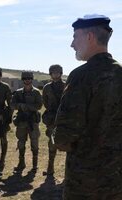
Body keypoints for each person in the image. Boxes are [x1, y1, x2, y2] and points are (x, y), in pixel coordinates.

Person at [51, 14, 122, 199]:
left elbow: (64, 136)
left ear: (89, 37)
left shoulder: (81, 76)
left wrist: (57, 138)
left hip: (85, 183)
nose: (72, 44)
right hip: (116, 180)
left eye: (75, 36)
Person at [11, 71, 42, 173]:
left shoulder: (36, 92)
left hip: (33, 122)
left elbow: (39, 106)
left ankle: (34, 165)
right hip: (21, 122)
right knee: (21, 142)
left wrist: (28, 107)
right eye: (25, 79)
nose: (27, 80)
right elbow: (12, 105)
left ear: (32, 79)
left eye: (29, 79)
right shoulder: (18, 92)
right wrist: (20, 106)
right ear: (22, 80)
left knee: (35, 144)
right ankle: (21, 163)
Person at [42, 65, 65, 176]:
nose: (55, 74)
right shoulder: (47, 87)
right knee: (52, 143)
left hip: (64, 119)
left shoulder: (67, 85)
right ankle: (50, 168)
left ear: (61, 73)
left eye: (57, 72)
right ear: (50, 74)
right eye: (53, 72)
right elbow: (45, 102)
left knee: (68, 143)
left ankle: (68, 171)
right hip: (52, 119)